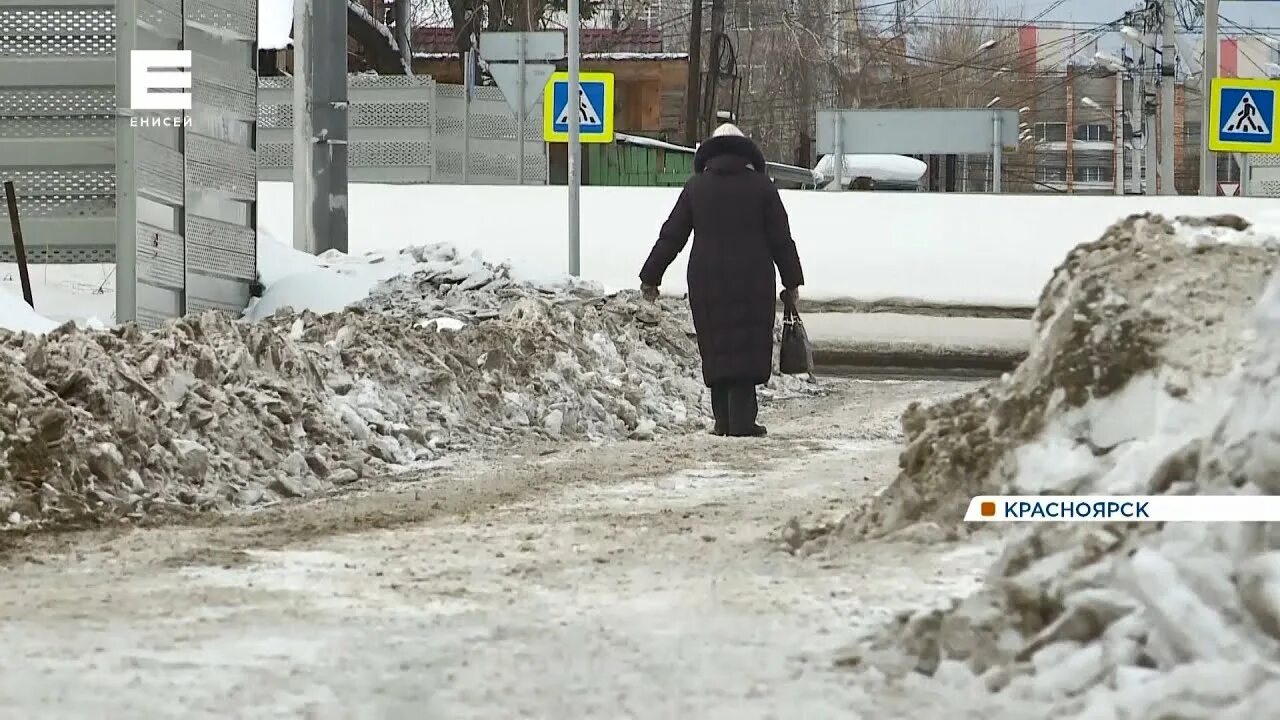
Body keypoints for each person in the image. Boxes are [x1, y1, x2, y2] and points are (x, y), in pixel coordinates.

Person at [639, 123, 804, 437]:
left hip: (706, 276)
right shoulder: (762, 187)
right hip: (753, 276)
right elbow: (782, 239)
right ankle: (742, 421)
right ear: (745, 151)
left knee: (717, 344)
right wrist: (791, 281)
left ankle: (723, 421)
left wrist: (651, 275)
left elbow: (671, 235)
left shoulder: (696, 188)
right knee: (746, 341)